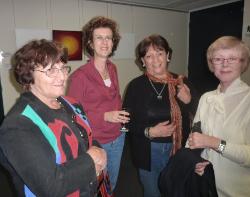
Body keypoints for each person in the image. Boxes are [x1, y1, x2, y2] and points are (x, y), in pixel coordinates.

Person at [0, 39, 107, 197]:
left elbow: (85, 137)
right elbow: (50, 186)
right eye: (51, 70)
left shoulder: (70, 103)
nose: (62, 77)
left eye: (63, 68)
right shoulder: (18, 125)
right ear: (29, 76)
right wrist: (91, 161)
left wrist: (99, 149)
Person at [188, 36, 250, 197]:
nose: (225, 64)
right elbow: (194, 138)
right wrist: (196, 161)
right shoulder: (206, 98)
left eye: (232, 58)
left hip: (236, 191)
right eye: (218, 59)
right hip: (205, 184)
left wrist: (215, 143)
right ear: (212, 64)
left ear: (243, 62)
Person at [123, 34, 199, 197]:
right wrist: (149, 132)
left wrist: (189, 100)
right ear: (142, 61)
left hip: (179, 149)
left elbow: (201, 114)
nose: (155, 59)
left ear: (168, 56)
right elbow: (125, 122)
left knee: (178, 190)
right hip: (148, 151)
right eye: (149, 56)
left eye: (160, 53)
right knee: (153, 192)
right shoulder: (136, 86)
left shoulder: (181, 81)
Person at [67, 16, 129, 191]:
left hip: (118, 137)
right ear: (91, 43)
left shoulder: (112, 68)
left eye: (108, 38)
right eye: (99, 38)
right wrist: (105, 116)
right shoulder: (80, 77)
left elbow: (114, 98)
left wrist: (120, 113)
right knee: (96, 187)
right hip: (97, 142)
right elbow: (73, 116)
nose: (104, 42)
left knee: (112, 183)